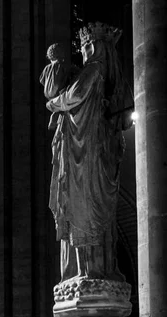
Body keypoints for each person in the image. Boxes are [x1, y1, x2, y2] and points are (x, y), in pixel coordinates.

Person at [41, 23, 130, 283]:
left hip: (86, 155)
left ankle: (89, 272)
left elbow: (73, 95)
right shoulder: (98, 72)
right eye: (83, 47)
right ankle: (91, 271)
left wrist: (52, 104)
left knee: (84, 209)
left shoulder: (93, 69)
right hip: (86, 149)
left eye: (89, 46)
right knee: (87, 212)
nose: (85, 50)